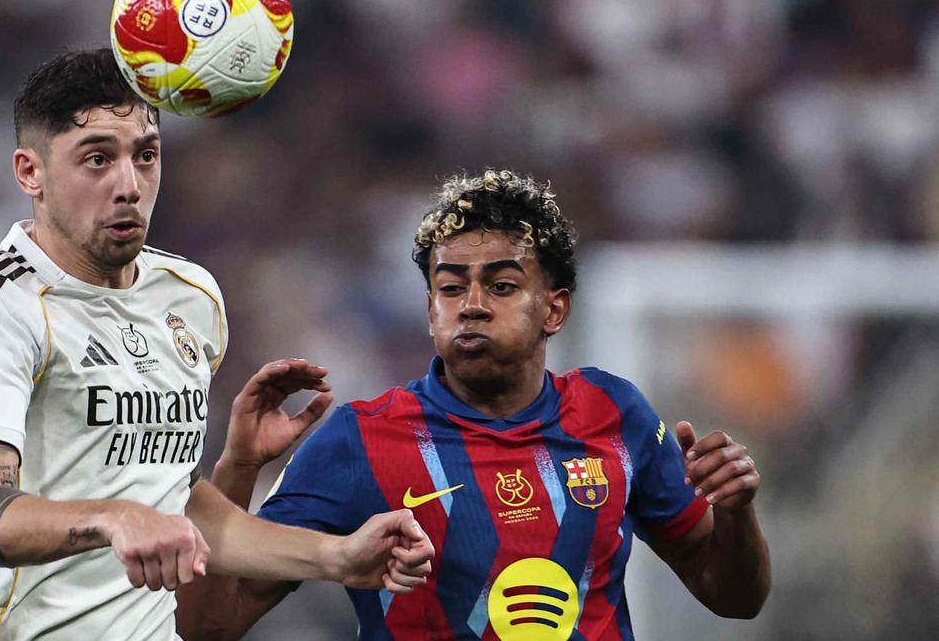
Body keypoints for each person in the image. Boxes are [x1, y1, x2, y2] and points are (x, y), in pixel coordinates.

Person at [0, 48, 434, 641]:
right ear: (30, 172)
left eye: (146, 155)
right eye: (96, 159)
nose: (129, 186)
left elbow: (178, 504)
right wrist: (114, 518)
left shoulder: (192, 298)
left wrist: (334, 557)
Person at [176, 169, 770, 640]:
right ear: (430, 309)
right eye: (451, 287)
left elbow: (734, 598)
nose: (472, 304)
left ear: (554, 309)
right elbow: (209, 624)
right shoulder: (358, 440)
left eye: (503, 286)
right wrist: (240, 466)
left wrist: (737, 513)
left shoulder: (615, 414)